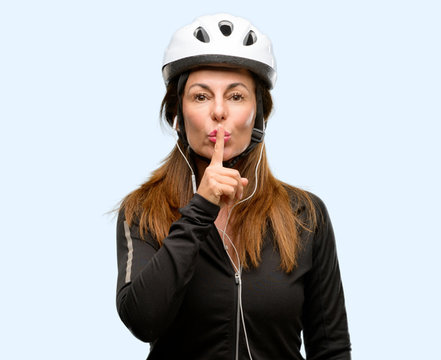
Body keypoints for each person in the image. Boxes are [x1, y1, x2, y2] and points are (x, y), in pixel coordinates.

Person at [115, 13, 351, 359]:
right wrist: (200, 209)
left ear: (260, 114)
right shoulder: (142, 209)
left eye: (237, 96)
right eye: (200, 97)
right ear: (177, 115)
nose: (219, 111)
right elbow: (142, 319)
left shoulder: (305, 214)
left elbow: (330, 347)